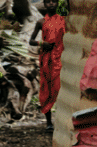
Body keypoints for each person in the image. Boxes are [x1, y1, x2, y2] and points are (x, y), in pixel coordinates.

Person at [29, 0, 65, 132]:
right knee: (46, 89)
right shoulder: (40, 22)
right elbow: (31, 41)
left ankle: (62, 121)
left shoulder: (64, 20)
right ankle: (49, 122)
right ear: (44, 4)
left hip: (60, 58)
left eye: (53, 1)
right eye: (48, 2)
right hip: (46, 59)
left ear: (57, 4)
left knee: (59, 88)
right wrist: (42, 43)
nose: (51, 4)